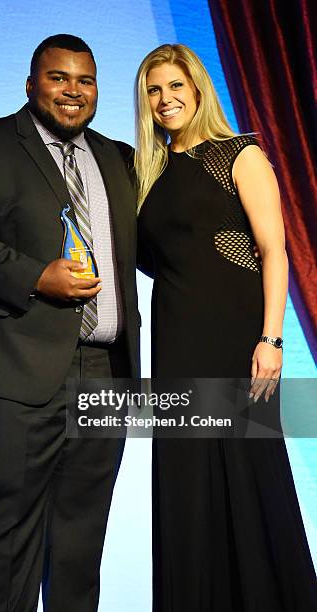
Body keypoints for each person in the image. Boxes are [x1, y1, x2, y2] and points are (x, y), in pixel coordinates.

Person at [0, 34, 139, 612]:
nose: (73, 91)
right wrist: (35, 275)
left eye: (85, 80)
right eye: (58, 78)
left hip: (108, 373)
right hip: (13, 366)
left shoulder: (118, 158)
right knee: (10, 526)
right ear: (30, 84)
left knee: (81, 536)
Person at [135, 44, 317, 611]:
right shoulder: (151, 171)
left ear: (198, 89)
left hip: (234, 340)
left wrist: (272, 338)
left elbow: (274, 251)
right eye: (154, 90)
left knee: (246, 467)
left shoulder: (239, 155)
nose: (166, 100)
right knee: (185, 479)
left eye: (175, 86)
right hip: (175, 340)